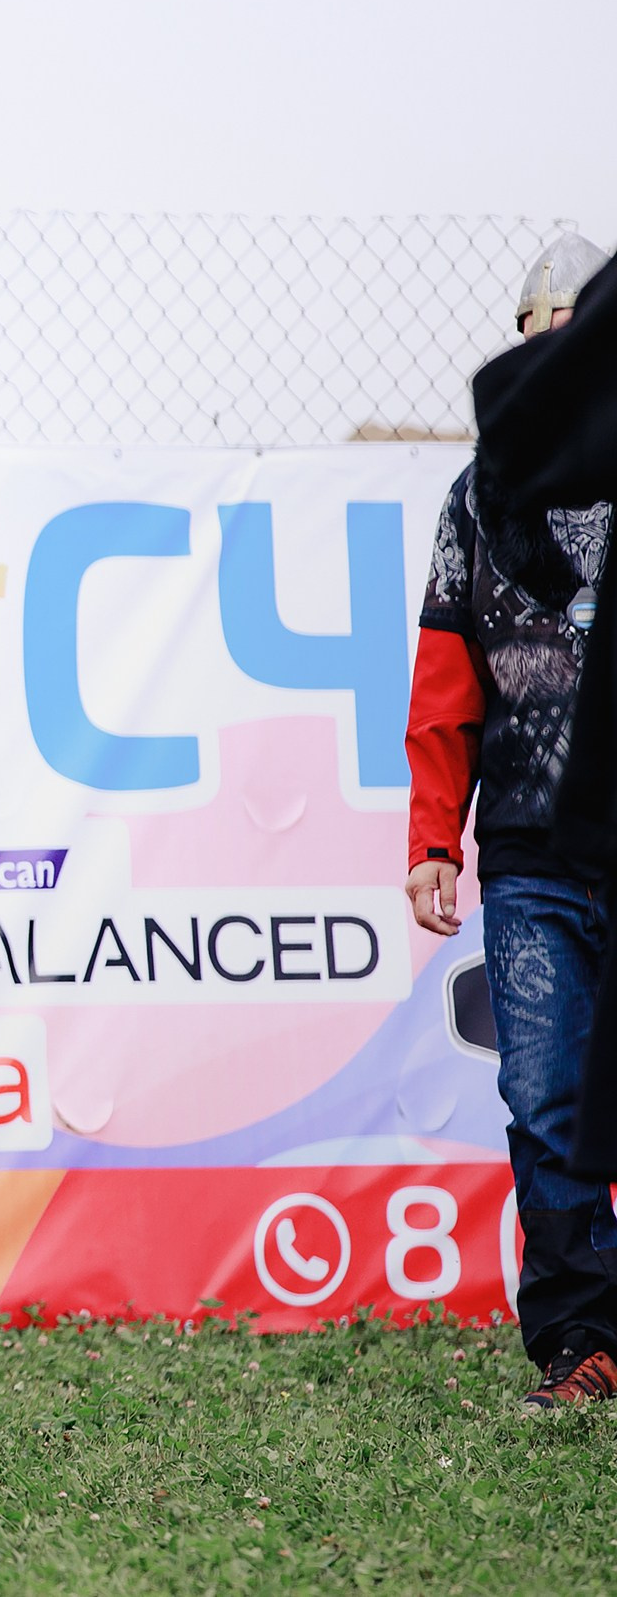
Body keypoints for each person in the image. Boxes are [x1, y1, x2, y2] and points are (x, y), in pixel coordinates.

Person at [408, 231, 616, 1410]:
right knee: (542, 1101)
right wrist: (433, 839)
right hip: (531, 854)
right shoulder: (476, 500)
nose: (558, 366)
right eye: (540, 344)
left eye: (576, 344)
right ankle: (580, 1343)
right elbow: (445, 686)